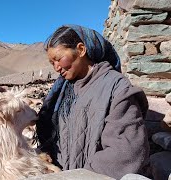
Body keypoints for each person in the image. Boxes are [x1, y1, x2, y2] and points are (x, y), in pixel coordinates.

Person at [36, 24, 149, 179]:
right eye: (51, 63)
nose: (56, 68)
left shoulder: (116, 88)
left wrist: (78, 175)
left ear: (81, 50)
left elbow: (126, 150)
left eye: (58, 59)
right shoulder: (65, 91)